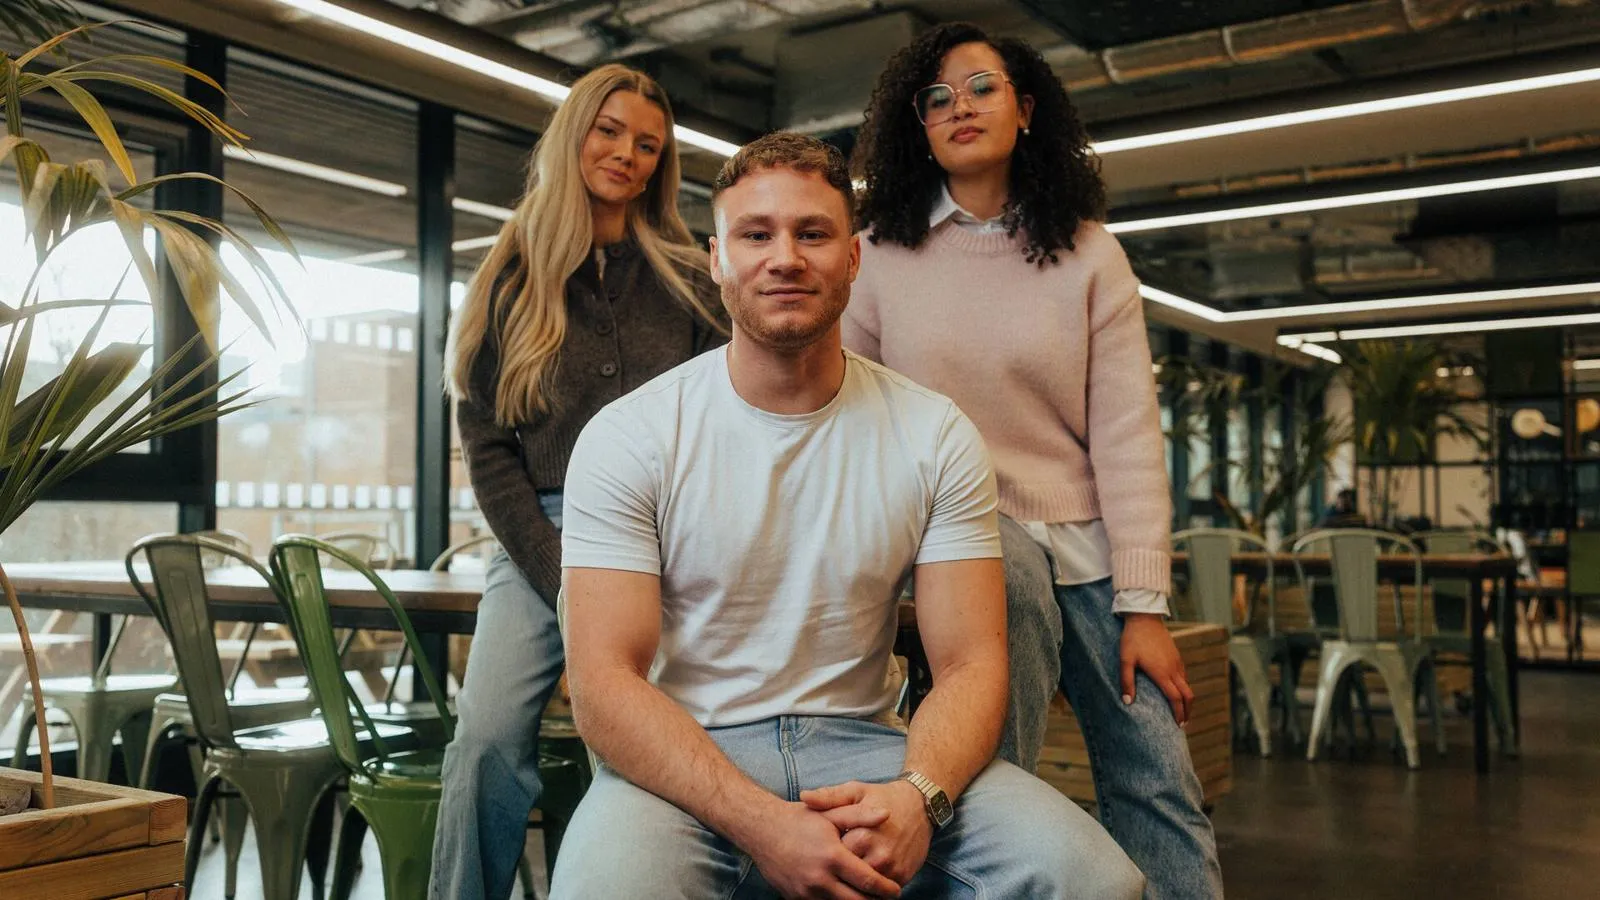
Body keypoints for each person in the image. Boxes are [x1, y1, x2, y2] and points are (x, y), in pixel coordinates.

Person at [548, 132, 1143, 899]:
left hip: (869, 751)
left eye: (814, 233)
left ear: (853, 259)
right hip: (687, 764)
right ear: (716, 259)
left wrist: (919, 796)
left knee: (1097, 883)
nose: (785, 257)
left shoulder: (932, 432)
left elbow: (970, 664)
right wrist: (760, 823)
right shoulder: (632, 435)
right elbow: (602, 682)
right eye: (755, 235)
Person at [844, 23, 1222, 899]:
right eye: (935, 98)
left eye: (980, 87)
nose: (958, 108)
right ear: (918, 129)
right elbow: (853, 412)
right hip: (960, 534)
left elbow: (1127, 435)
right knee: (990, 770)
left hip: (1087, 542)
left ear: (1025, 108)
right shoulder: (879, 254)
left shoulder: (1090, 253)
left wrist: (1145, 606)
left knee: (1158, 773)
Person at [430, 63, 725, 900]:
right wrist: (559, 574)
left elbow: (718, 421)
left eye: (647, 145)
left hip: (662, 535)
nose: (626, 155)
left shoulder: (689, 278)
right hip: (539, 536)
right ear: (574, 134)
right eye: (610, 131)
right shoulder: (509, 280)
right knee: (484, 741)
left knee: (637, 743)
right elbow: (487, 447)